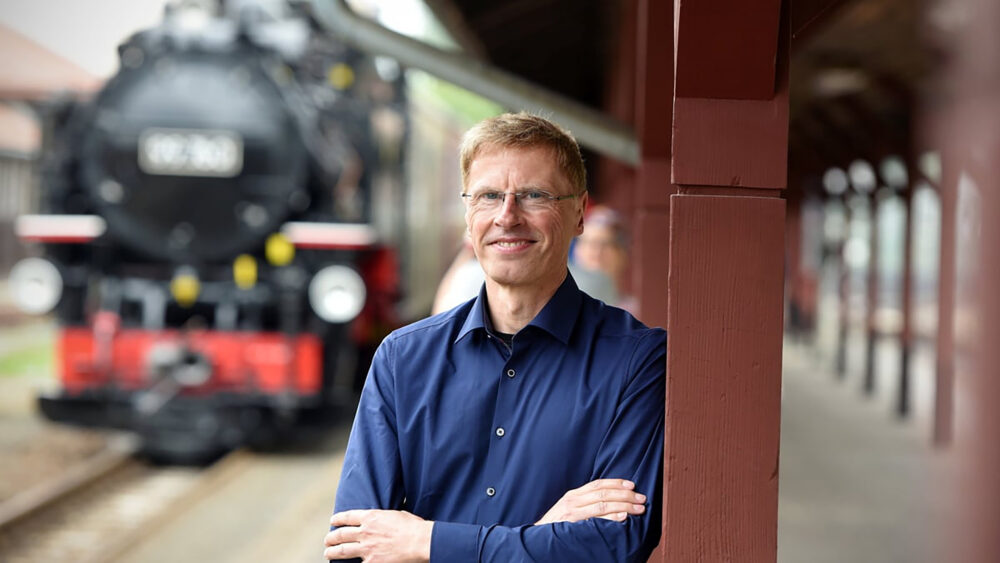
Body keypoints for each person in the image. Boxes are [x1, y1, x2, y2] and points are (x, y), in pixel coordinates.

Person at [325, 112, 666, 562]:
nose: (507, 216)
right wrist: (538, 534)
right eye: (488, 196)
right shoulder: (401, 360)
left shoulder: (637, 360)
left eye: (533, 195)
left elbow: (611, 546)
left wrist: (424, 542)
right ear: (469, 217)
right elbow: (355, 549)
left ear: (579, 214)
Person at [572, 204, 637, 314]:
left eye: (606, 244)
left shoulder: (633, 313)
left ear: (623, 253)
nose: (596, 252)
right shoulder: (560, 306)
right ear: (577, 250)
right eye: (589, 243)